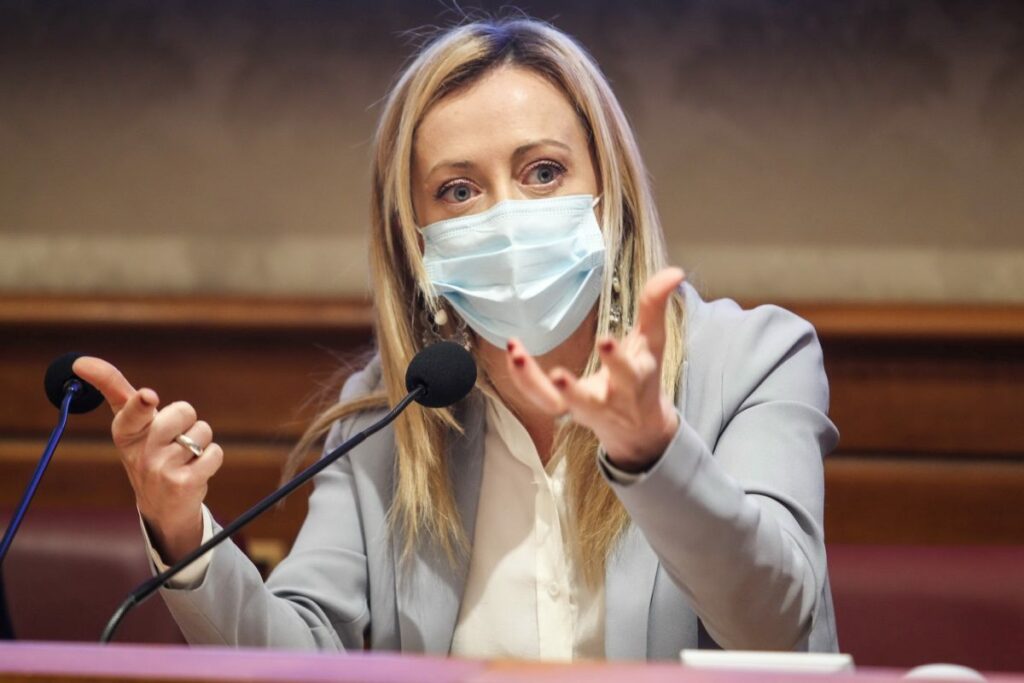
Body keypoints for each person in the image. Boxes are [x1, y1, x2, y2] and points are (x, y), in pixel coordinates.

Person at [74, 16, 840, 660]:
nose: (506, 215)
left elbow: (776, 630)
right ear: (417, 238)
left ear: (610, 195)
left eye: (543, 172)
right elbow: (304, 657)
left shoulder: (754, 362)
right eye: (459, 190)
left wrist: (652, 453)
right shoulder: (395, 413)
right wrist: (182, 530)